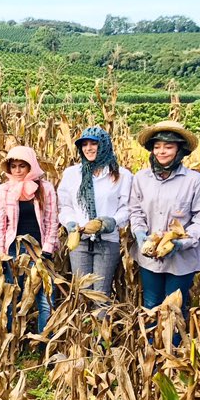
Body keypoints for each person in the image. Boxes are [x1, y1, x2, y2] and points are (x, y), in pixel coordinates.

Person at [130, 120, 200, 326]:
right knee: (151, 304)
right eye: (157, 147)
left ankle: (173, 353)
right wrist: (140, 234)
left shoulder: (194, 181)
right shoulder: (141, 178)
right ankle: (152, 352)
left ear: (179, 150)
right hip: (149, 257)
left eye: (168, 147)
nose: (162, 152)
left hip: (182, 260)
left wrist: (180, 243)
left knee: (173, 309)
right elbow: (135, 211)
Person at [57, 127, 132, 296]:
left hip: (107, 241)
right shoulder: (72, 174)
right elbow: (65, 206)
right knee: (81, 292)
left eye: (94, 143)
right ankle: (82, 323)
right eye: (84, 144)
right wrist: (70, 222)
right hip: (80, 241)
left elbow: (127, 207)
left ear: (104, 145)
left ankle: (101, 323)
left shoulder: (122, 176)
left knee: (100, 293)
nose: (88, 148)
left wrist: (111, 222)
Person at [0, 145, 58, 335]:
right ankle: (14, 339)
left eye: (22, 166)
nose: (18, 170)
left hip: (40, 251)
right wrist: (0, 252)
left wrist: (47, 249)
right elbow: (0, 224)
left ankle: (45, 339)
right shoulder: (3, 191)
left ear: (31, 166)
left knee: (46, 297)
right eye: (14, 166)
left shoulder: (44, 188)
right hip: (14, 250)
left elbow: (52, 221)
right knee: (14, 295)